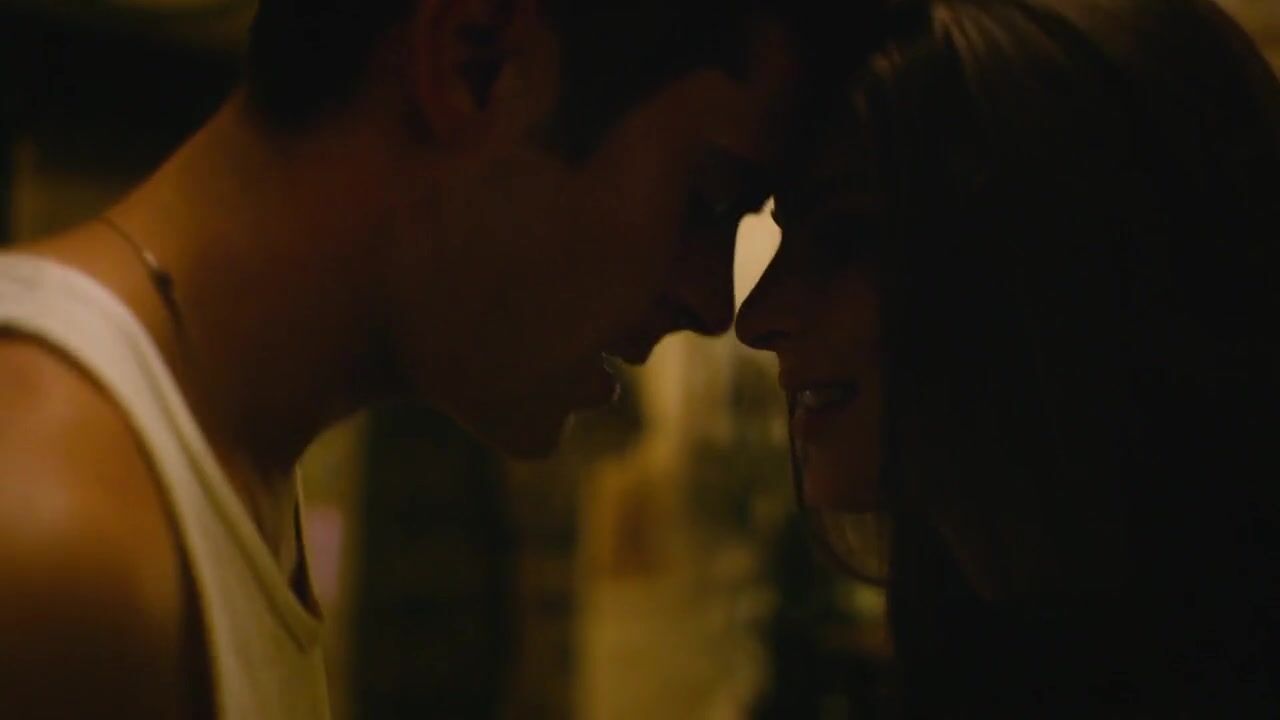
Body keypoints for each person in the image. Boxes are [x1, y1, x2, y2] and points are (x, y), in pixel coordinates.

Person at [0, 1, 879, 716]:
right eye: (706, 197)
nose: (716, 304)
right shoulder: (59, 540)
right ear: (477, 63)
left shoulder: (208, 459)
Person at [736, 0, 1280, 715]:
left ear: (1077, 265)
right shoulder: (980, 638)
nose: (756, 317)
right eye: (787, 232)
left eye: (848, 235)